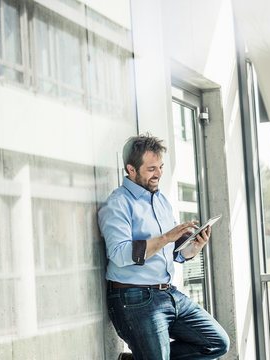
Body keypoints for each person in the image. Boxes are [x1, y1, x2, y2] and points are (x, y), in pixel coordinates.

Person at [98, 134, 230, 360]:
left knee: (217, 343)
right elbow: (119, 253)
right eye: (151, 169)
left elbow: (171, 252)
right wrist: (166, 238)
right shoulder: (118, 203)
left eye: (160, 167)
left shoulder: (160, 201)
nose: (158, 174)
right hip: (133, 297)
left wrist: (192, 249)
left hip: (168, 293)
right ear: (131, 169)